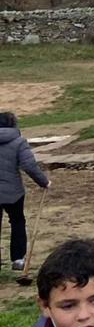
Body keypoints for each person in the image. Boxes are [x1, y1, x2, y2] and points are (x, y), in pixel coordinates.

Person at [0, 115, 49, 275]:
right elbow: (29, 165)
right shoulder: (19, 142)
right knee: (17, 222)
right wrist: (43, 182)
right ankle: (18, 260)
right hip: (13, 192)